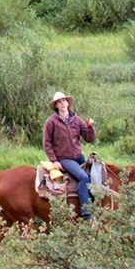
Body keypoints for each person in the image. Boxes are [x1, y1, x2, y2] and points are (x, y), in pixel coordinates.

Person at [42, 91, 97, 219]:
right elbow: (47, 143)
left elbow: (89, 138)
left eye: (64, 101)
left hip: (78, 156)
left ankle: (97, 204)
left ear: (68, 103)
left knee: (96, 174)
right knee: (83, 177)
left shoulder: (76, 120)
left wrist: (90, 127)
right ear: (56, 106)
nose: (62, 103)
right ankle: (86, 213)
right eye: (59, 102)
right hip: (64, 158)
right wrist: (54, 160)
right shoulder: (51, 122)